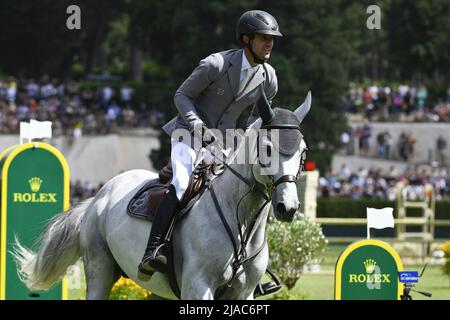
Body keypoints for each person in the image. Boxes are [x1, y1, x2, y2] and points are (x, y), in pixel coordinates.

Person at [138, 10, 283, 280]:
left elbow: (258, 116)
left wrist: (244, 137)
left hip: (226, 141)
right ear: (246, 39)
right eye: (264, 38)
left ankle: (251, 265)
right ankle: (153, 250)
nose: (270, 44)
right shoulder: (215, 64)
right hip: (188, 134)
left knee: (248, 188)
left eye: (272, 39)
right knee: (182, 183)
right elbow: (182, 95)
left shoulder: (269, 77)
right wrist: (196, 125)